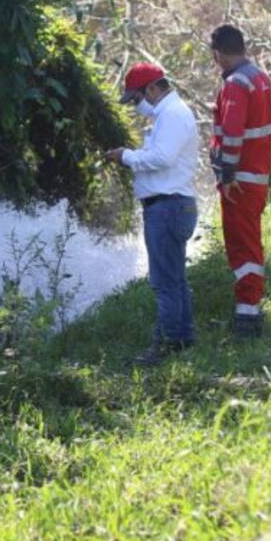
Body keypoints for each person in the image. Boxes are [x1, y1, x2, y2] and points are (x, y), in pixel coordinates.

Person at [105, 62, 200, 367]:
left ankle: (167, 344)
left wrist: (127, 157)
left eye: (135, 99)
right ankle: (184, 339)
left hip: (168, 207)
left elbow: (162, 157)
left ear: (152, 89)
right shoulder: (168, 114)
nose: (136, 106)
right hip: (172, 205)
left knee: (164, 282)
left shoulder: (172, 114)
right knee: (176, 279)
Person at [207, 23, 271, 338]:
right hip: (257, 176)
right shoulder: (259, 78)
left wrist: (227, 173)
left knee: (241, 245)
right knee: (251, 242)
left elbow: (233, 133)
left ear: (218, 53)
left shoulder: (235, 83)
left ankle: (247, 319)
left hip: (240, 181)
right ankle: (250, 310)